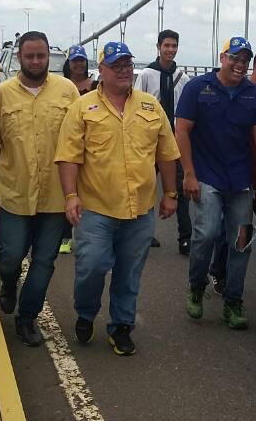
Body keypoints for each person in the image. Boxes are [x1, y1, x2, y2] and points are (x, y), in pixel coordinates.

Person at [55, 41, 180, 356]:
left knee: (129, 271)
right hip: (96, 207)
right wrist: (70, 196)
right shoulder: (82, 108)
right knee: (92, 266)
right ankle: (86, 312)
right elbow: (68, 156)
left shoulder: (151, 106)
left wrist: (171, 193)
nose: (124, 70)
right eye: (117, 65)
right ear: (103, 71)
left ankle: (121, 326)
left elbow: (166, 153)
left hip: (140, 209)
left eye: (127, 64)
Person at [0, 31, 79, 347]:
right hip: (15, 192)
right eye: (30, 56)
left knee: (44, 260)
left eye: (41, 56)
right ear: (19, 58)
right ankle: (9, 284)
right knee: (11, 255)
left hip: (56, 194)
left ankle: (27, 318)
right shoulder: (1, 95)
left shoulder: (68, 92)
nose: (36, 62)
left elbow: (81, 140)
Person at [176, 36, 256, 331]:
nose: (239, 64)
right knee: (206, 234)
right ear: (222, 57)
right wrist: (189, 174)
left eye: (245, 60)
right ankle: (196, 285)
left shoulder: (251, 94)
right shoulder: (197, 88)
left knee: (241, 242)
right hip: (206, 176)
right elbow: (181, 130)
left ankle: (233, 301)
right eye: (234, 58)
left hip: (240, 180)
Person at [207, 44, 256, 294]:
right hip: (236, 173)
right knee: (223, 230)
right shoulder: (244, 92)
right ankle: (219, 274)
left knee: (246, 233)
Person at [135, 29, 191, 253]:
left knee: (180, 189)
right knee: (146, 186)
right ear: (158, 47)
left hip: (175, 139)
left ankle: (185, 238)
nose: (170, 50)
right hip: (150, 138)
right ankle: (144, 234)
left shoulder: (183, 78)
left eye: (174, 46)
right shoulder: (147, 74)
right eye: (166, 45)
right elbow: (137, 103)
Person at [58, 44, 96, 254]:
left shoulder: (96, 84)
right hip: (69, 142)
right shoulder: (61, 86)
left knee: (88, 193)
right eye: (75, 60)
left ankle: (86, 236)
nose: (79, 64)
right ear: (69, 63)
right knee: (68, 191)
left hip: (92, 144)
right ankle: (65, 236)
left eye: (82, 60)